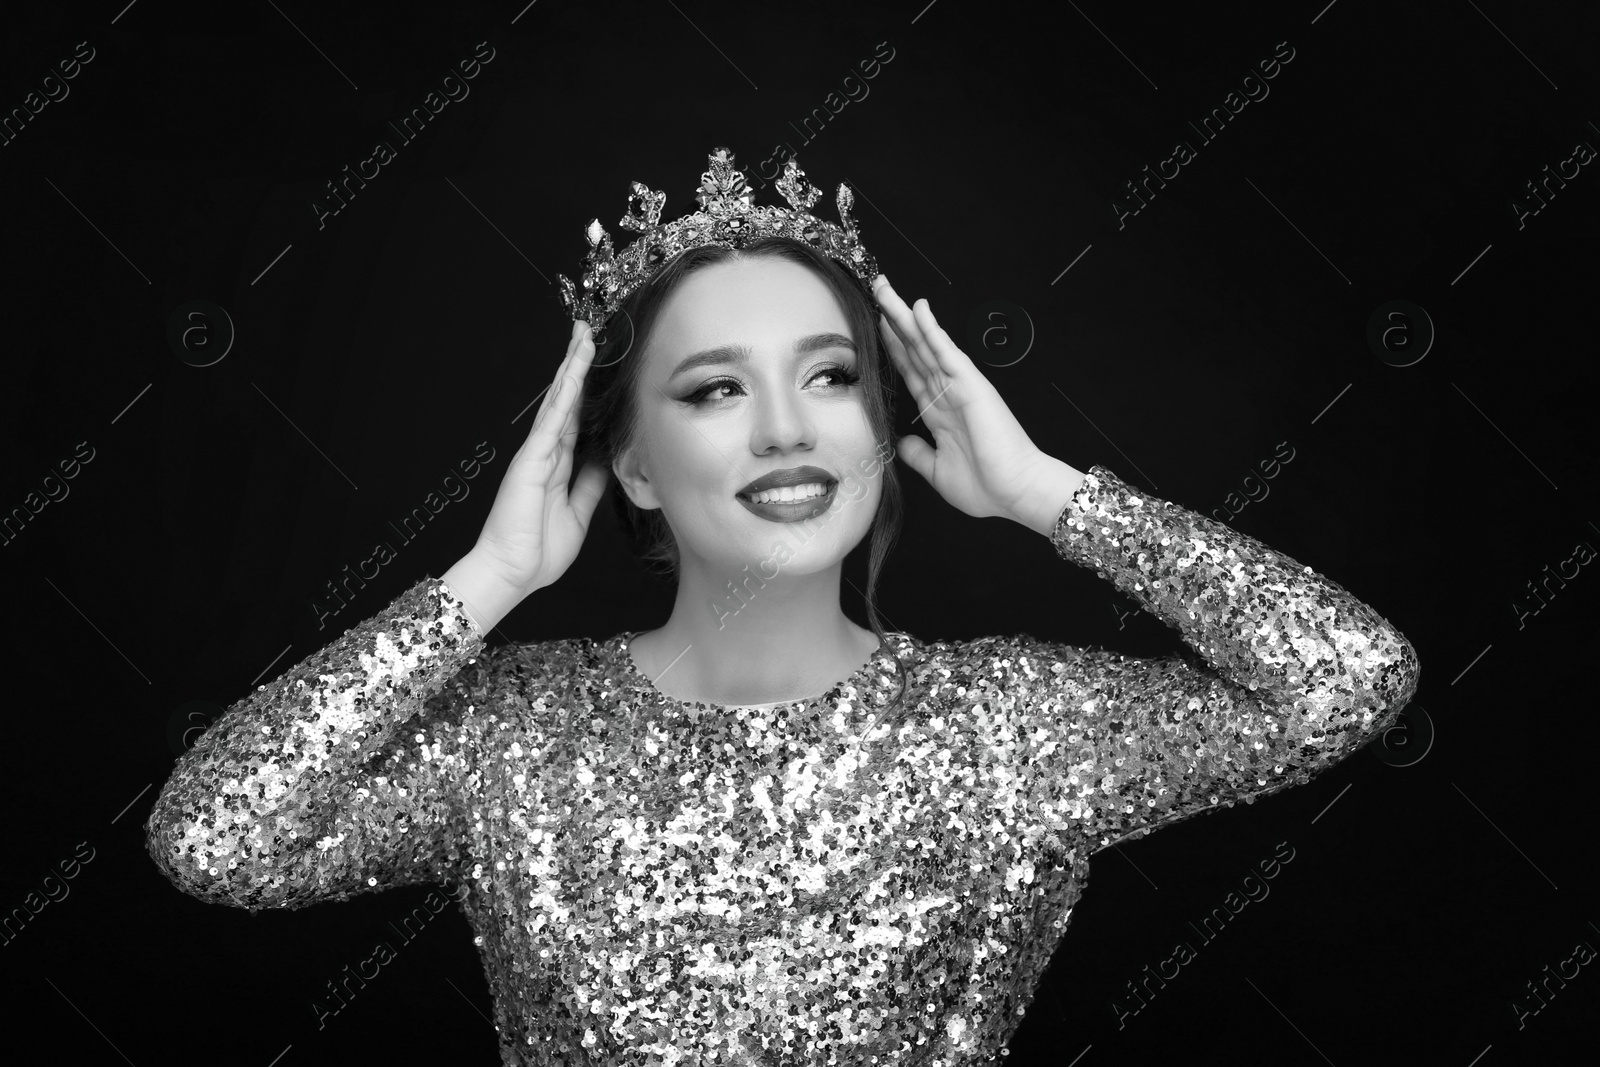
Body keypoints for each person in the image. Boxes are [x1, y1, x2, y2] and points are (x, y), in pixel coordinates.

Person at [145, 148, 1420, 1066]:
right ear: (632, 462)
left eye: (827, 375)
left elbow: (1347, 677)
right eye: (711, 390)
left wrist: (1046, 495)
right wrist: (487, 584)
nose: (784, 431)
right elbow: (216, 839)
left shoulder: (1008, 727)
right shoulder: (513, 736)